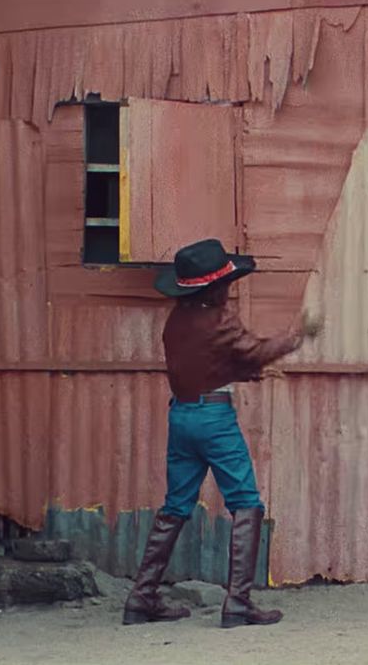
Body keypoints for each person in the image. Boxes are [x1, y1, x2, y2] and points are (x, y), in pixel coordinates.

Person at [123, 238, 321, 629]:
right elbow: (251, 351)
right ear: (215, 288)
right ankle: (238, 604)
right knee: (246, 502)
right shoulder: (221, 320)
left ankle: (141, 597)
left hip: (181, 416)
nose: (231, 290)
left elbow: (208, 363)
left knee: (176, 506)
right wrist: (297, 336)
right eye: (227, 284)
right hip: (214, 419)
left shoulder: (176, 321)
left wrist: (249, 372)